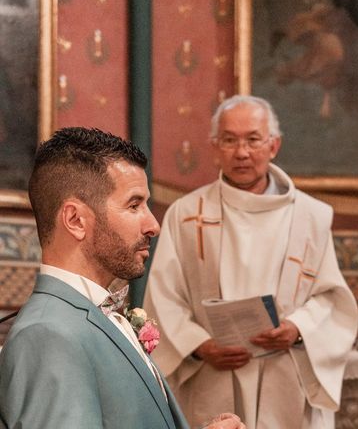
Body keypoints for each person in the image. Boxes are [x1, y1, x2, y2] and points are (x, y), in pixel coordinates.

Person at [0, 127, 245, 429]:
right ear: (76, 220)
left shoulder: (88, 317)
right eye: (134, 205)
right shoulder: (48, 335)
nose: (153, 225)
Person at [144, 95, 358, 429]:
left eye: (253, 140)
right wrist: (198, 344)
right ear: (215, 147)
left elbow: (331, 299)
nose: (241, 153)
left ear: (274, 146)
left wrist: (297, 328)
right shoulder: (186, 215)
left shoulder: (311, 217)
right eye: (229, 141)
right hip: (213, 375)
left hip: (285, 376)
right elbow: (163, 297)